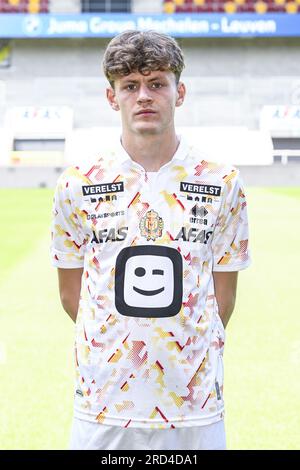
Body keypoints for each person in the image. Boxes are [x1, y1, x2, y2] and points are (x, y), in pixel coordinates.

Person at [50, 30, 250, 451]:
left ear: (179, 92)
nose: (144, 96)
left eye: (157, 83)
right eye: (130, 86)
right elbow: (73, 295)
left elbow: (223, 298)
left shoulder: (221, 181)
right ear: (112, 98)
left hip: (193, 403)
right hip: (103, 400)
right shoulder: (78, 183)